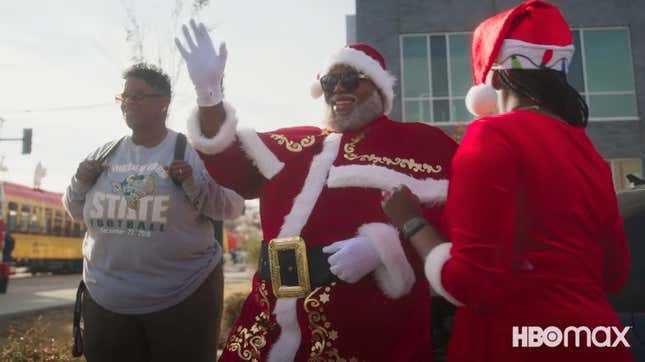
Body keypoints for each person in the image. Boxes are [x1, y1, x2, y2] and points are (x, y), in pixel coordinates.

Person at [175, 20, 457, 361]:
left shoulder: (420, 143)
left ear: (379, 88)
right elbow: (227, 159)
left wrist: (385, 247)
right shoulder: (296, 142)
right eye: (330, 81)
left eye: (351, 79)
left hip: (365, 321)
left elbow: (459, 217)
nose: (339, 89)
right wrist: (209, 95)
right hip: (269, 315)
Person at [382, 1, 633, 361]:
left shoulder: (493, 135)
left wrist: (412, 222)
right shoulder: (587, 150)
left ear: (493, 78)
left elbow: (471, 283)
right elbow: (615, 273)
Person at [62, 62, 244, 362]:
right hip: (106, 302)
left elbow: (231, 206)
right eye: (125, 97)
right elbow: (73, 209)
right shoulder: (103, 154)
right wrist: (81, 180)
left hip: (181, 300)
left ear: (164, 103)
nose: (128, 103)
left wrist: (191, 183)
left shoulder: (191, 152)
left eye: (138, 96)